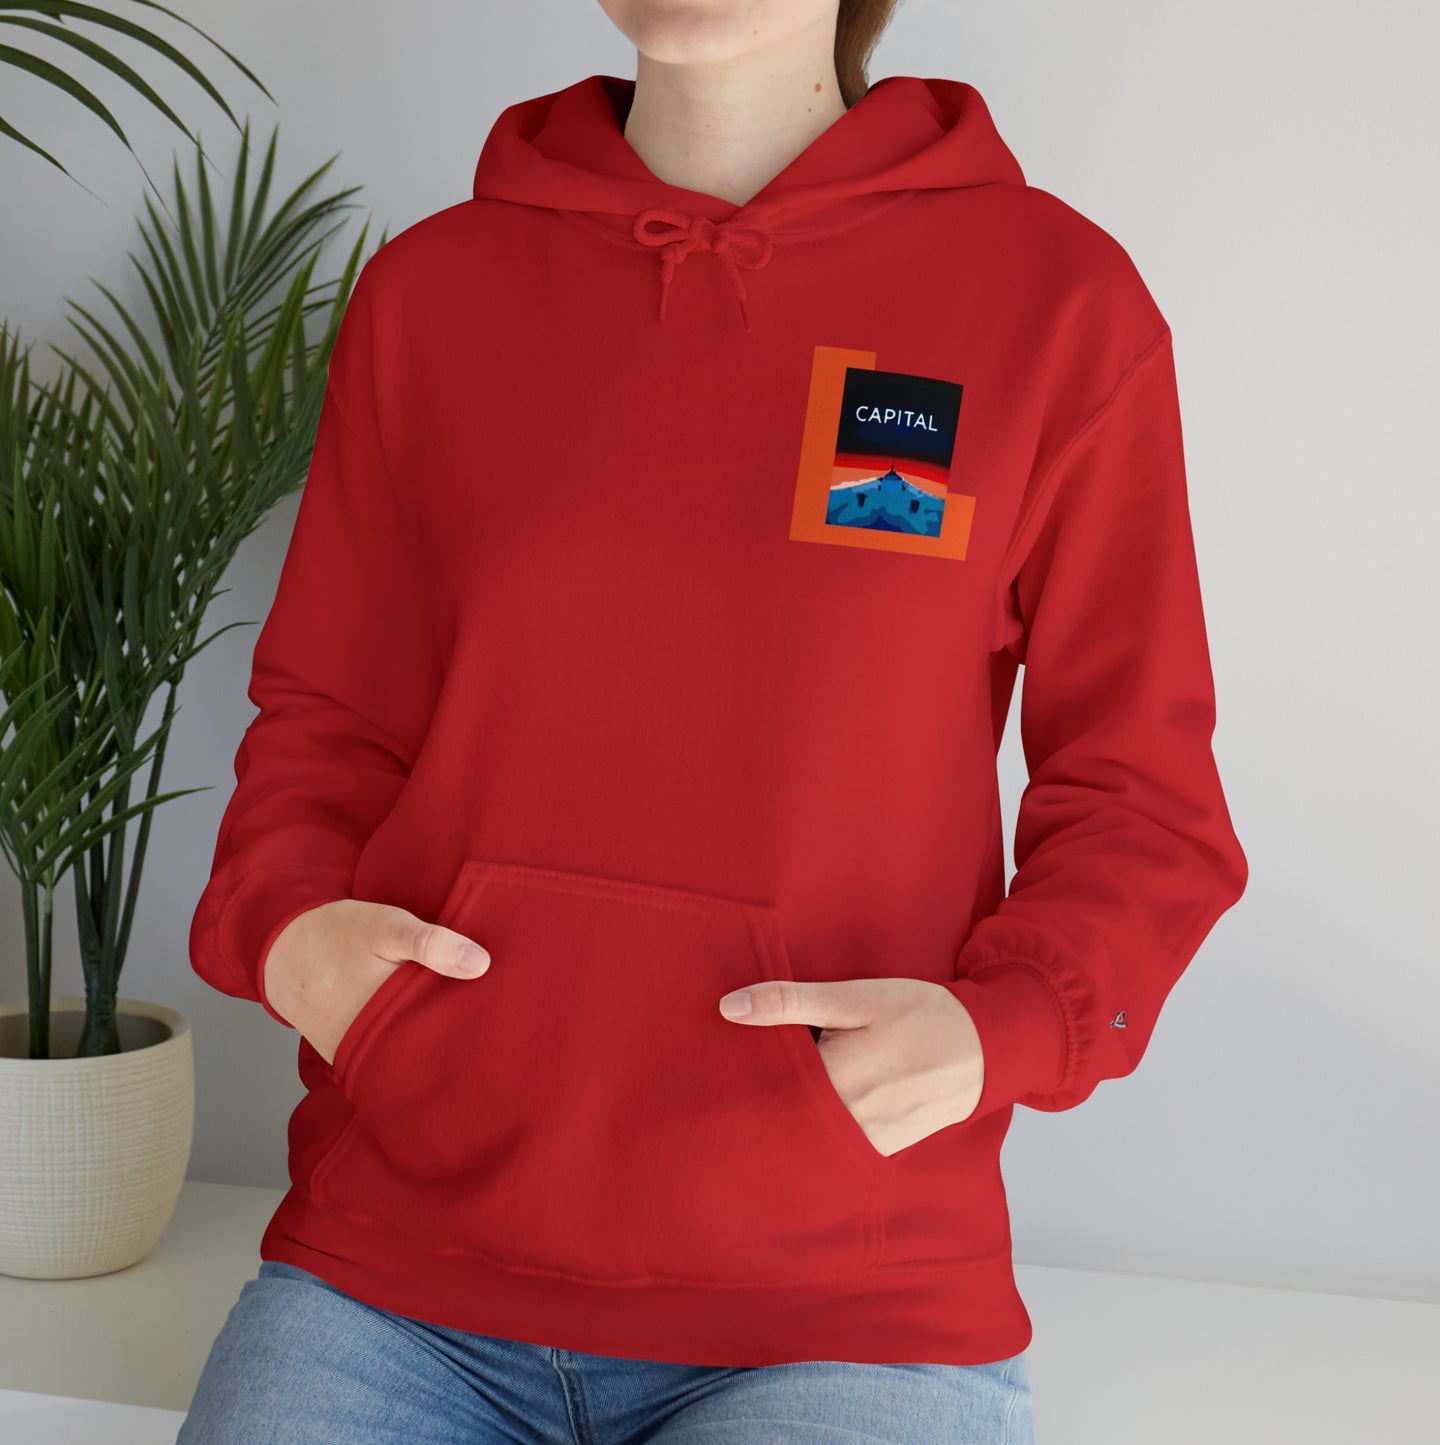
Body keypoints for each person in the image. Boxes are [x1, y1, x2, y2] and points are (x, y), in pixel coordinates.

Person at [180, 0, 1249, 1439]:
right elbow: (328, 713)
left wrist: (1009, 1028)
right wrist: (291, 933)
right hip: (399, 1276)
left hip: (844, 1303)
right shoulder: (436, 290)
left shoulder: (1054, 301)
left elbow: (1140, 789)